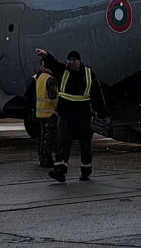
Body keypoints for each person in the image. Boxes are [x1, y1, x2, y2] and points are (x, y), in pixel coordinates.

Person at [37, 48, 109, 183]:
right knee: (63, 142)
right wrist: (46, 55)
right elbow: (53, 63)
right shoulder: (63, 72)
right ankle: (60, 170)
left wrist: (102, 113)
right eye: (69, 60)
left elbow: (96, 94)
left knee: (85, 143)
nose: (70, 63)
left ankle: (86, 170)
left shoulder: (88, 74)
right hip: (66, 115)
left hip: (83, 115)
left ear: (79, 62)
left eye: (73, 60)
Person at [23, 58, 59, 168]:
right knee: (49, 138)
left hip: (39, 113)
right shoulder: (50, 79)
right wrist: (58, 110)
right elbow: (53, 97)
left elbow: (28, 96)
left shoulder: (36, 78)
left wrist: (32, 110)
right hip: (50, 113)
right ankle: (47, 159)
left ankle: (43, 158)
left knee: (42, 138)